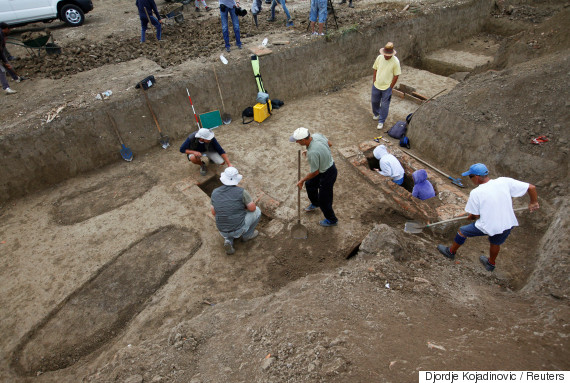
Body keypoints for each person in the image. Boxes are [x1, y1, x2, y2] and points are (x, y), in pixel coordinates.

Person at [437, 163, 539, 272]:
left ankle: (450, 252)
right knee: (495, 242)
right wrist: (533, 202)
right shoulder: (504, 181)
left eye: (470, 177)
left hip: (489, 225)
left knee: (462, 232)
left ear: (476, 177)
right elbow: (531, 187)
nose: (470, 179)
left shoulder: (476, 193)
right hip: (507, 223)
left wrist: (470, 217)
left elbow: (476, 216)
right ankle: (491, 264)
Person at [290, 127, 338, 227]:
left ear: (303, 140)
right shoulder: (316, 136)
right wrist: (313, 151)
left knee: (324, 200)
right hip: (323, 167)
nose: (296, 142)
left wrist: (302, 180)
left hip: (328, 173)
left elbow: (315, 172)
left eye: (298, 141)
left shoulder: (313, 153)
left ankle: (332, 220)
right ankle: (315, 203)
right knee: (310, 184)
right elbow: (329, 144)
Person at [211, 167, 261, 255]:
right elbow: (252, 209)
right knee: (257, 211)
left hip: (222, 229)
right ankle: (247, 235)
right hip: (238, 229)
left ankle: (228, 240)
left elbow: (214, 213)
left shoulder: (215, 192)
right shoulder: (241, 192)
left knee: (228, 225)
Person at [372, 42, 401, 130]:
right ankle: (376, 113)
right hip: (376, 85)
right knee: (374, 101)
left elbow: (396, 75)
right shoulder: (379, 58)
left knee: (385, 105)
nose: (385, 56)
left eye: (387, 55)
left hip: (386, 87)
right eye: (384, 54)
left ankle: (381, 121)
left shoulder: (395, 61)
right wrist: (374, 81)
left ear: (391, 54)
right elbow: (375, 69)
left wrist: (390, 87)